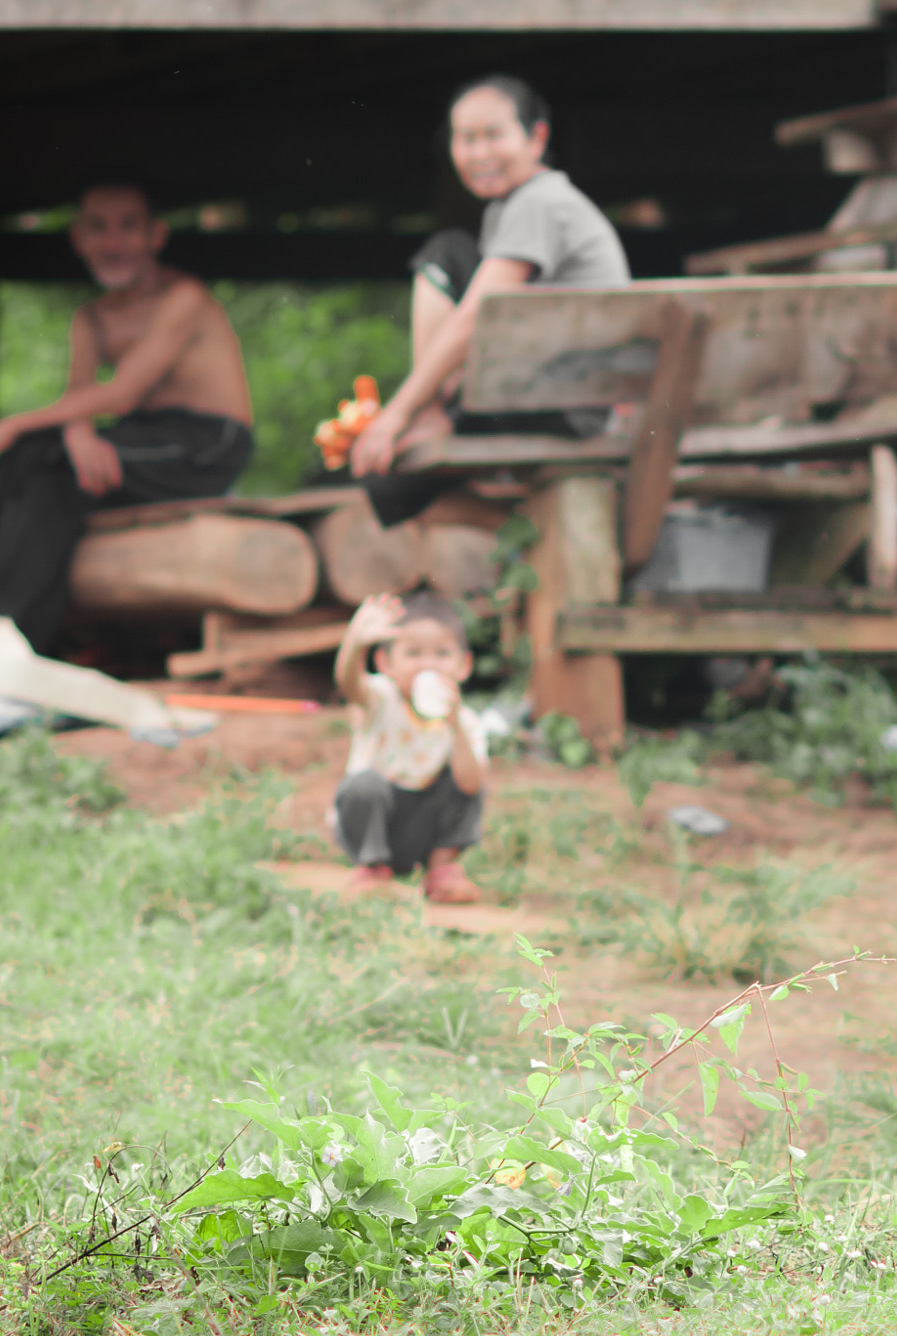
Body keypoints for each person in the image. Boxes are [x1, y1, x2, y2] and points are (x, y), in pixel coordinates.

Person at [0, 177, 253, 656]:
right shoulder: (91, 318)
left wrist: (10, 424)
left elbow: (121, 392)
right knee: (33, 457)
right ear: (79, 239)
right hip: (141, 439)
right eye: (98, 228)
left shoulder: (185, 297)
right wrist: (76, 433)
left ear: (155, 236)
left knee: (35, 448)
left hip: (206, 443)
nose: (114, 242)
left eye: (128, 227)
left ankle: (15, 639)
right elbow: (81, 394)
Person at [348, 74, 631, 524]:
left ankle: (439, 417)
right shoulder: (521, 205)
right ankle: (528, 530)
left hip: (564, 404)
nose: (479, 154)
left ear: (536, 138)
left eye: (494, 136)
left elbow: (474, 318)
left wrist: (400, 413)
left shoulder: (538, 202)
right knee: (390, 485)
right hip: (562, 397)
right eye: (466, 139)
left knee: (447, 253)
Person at [331, 591, 489, 904]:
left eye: (442, 654)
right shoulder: (380, 699)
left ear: (463, 666)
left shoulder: (466, 721)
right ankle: (372, 868)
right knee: (363, 784)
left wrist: (454, 723)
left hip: (425, 831)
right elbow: (349, 683)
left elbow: (470, 784)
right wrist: (354, 643)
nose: (428, 664)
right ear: (385, 663)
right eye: (413, 653)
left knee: (469, 776)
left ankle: (442, 869)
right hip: (379, 827)